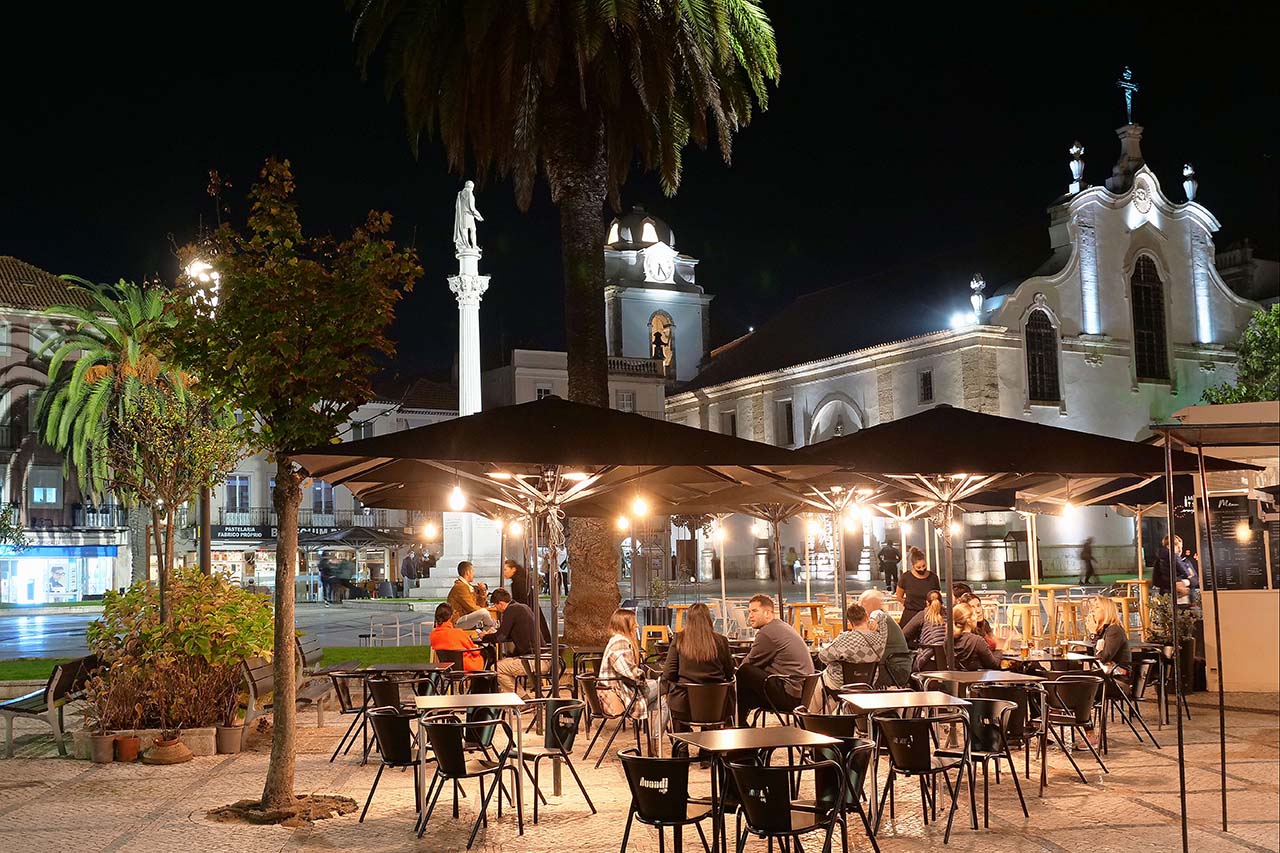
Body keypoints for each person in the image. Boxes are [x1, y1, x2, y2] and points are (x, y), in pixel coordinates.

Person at [736, 594, 815, 726]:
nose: (750, 616)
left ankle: (739, 728)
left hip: (789, 694)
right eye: (749, 612)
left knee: (743, 674)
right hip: (801, 694)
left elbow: (747, 664)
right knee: (745, 692)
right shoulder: (782, 626)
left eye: (755, 611)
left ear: (767, 613)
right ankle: (742, 728)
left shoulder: (767, 633)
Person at [662, 602, 735, 731]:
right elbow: (729, 673)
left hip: (684, 705)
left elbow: (669, 673)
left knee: (677, 703)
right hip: (716, 704)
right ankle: (709, 749)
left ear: (688, 620)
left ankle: (681, 747)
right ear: (709, 619)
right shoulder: (721, 641)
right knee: (714, 709)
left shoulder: (679, 640)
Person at [813, 603, 886, 707]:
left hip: (842, 682)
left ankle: (812, 716)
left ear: (850, 622)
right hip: (868, 682)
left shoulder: (846, 639)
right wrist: (874, 619)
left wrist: (833, 661)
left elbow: (823, 656)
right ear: (867, 616)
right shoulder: (880, 638)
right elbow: (882, 615)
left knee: (818, 681)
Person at [599, 609, 662, 728]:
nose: (637, 625)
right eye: (634, 622)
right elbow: (630, 672)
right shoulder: (620, 642)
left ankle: (655, 741)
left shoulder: (616, 639)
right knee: (669, 685)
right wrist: (647, 676)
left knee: (664, 702)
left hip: (620, 691)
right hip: (621, 695)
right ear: (625, 625)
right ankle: (680, 734)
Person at [489, 588, 541, 695]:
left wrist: (485, 636)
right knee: (505, 663)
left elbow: (500, 637)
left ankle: (522, 699)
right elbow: (507, 634)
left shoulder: (510, 611)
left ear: (501, 603)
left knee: (496, 668)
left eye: (495, 605)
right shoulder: (522, 607)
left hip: (533, 660)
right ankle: (522, 697)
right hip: (539, 656)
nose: (496, 609)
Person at [859, 588, 912, 688]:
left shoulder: (880, 620)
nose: (860, 608)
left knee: (857, 675)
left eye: (862, 604)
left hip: (894, 669)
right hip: (891, 666)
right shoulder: (880, 619)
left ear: (870, 605)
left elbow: (865, 643)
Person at [503, 559, 551, 641]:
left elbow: (521, 601)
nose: (504, 572)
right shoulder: (519, 580)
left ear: (513, 569)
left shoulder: (519, 582)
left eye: (505, 569)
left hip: (529, 613)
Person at [429, 603, 486, 672]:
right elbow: (475, 651)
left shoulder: (433, 635)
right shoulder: (458, 633)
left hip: (448, 669)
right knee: (487, 653)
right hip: (467, 667)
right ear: (451, 617)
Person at [1085, 595, 1131, 676]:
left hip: (1116, 679)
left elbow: (1102, 658)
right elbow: (1095, 655)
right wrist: (1095, 634)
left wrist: (1094, 635)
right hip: (1106, 676)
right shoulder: (1104, 630)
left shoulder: (1114, 630)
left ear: (1106, 611)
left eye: (1097, 607)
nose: (1092, 610)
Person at [895, 547, 940, 627]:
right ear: (913, 566)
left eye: (924, 566)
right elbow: (899, 596)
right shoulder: (906, 577)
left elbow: (937, 595)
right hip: (910, 615)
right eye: (918, 567)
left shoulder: (933, 577)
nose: (922, 569)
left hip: (929, 614)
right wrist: (907, 604)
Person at [447, 561, 497, 631]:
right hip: (457, 621)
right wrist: (488, 612)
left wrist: (482, 592)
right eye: (472, 571)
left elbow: (480, 605)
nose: (474, 574)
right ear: (467, 572)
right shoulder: (460, 587)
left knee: (484, 615)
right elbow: (472, 608)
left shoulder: (467, 586)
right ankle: (494, 625)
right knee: (483, 612)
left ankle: (490, 633)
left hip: (466, 618)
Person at [953, 602, 1002, 671]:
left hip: (955, 679)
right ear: (968, 620)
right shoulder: (977, 641)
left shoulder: (948, 639)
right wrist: (999, 650)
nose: (976, 617)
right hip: (977, 679)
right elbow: (993, 665)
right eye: (974, 615)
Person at [912, 595, 949, 670]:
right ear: (942, 602)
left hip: (928, 660)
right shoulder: (950, 614)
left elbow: (905, 634)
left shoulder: (923, 614)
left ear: (927, 603)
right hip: (949, 660)